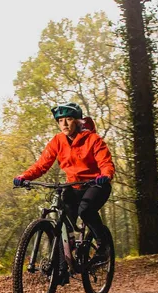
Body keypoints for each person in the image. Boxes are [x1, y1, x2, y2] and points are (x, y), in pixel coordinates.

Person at [13, 102, 114, 281]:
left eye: (68, 119)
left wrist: (105, 175)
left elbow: (105, 162)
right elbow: (42, 165)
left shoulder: (93, 140)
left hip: (96, 185)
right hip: (73, 186)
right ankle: (62, 266)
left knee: (86, 210)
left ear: (78, 121)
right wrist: (24, 176)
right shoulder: (57, 141)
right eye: (61, 121)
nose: (65, 124)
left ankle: (103, 246)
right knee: (62, 222)